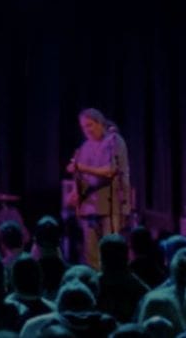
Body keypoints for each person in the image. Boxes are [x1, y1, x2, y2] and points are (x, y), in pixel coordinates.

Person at [66, 108, 131, 270]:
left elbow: (110, 170)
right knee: (91, 256)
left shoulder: (114, 141)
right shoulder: (85, 146)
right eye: (83, 127)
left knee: (111, 253)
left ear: (100, 123)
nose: (87, 130)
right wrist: (75, 192)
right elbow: (81, 176)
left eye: (90, 125)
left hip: (110, 206)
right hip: (89, 208)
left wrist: (81, 167)